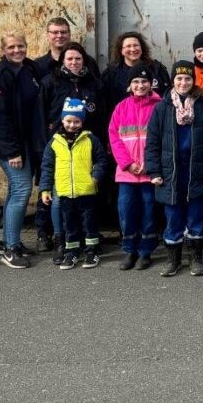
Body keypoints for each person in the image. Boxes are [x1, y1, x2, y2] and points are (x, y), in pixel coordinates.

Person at [145, 61, 203, 278]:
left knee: (197, 216)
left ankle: (196, 258)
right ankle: (173, 259)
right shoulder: (162, 108)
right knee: (173, 216)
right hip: (171, 172)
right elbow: (152, 142)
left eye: (188, 78)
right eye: (179, 78)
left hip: (196, 170)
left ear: (193, 80)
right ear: (173, 81)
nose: (183, 82)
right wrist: (155, 171)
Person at [32, 17, 97, 251]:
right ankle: (47, 233)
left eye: (78, 58)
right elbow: (40, 114)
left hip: (84, 143)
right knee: (53, 191)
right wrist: (42, 144)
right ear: (63, 61)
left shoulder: (92, 81)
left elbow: (99, 111)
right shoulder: (49, 81)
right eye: (70, 58)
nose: (74, 62)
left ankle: (76, 235)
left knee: (79, 191)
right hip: (56, 143)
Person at [0, 31, 46, 268]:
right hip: (11, 147)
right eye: (11, 47)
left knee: (16, 190)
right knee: (21, 191)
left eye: (20, 46)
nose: (17, 50)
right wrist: (11, 152)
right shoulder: (0, 76)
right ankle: (10, 249)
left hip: (27, 142)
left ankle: (10, 241)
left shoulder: (28, 69)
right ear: (3, 50)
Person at [39, 98, 106, 269]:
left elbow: (101, 160)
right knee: (69, 223)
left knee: (89, 222)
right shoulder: (54, 142)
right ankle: (71, 252)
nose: (72, 125)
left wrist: (95, 178)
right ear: (62, 120)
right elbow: (47, 167)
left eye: (76, 121)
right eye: (68, 121)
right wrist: (45, 189)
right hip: (65, 192)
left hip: (86, 190)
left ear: (82, 121)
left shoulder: (90, 139)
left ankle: (92, 251)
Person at [108, 64, 162, 271]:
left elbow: (161, 140)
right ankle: (130, 250)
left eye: (144, 82)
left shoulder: (159, 106)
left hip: (149, 173)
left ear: (151, 84)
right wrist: (128, 164)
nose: (140, 85)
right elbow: (114, 138)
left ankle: (145, 252)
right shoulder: (121, 107)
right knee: (127, 211)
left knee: (149, 212)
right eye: (136, 82)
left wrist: (149, 165)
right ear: (130, 85)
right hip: (127, 173)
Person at [100, 31, 171, 111]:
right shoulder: (111, 74)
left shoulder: (157, 69)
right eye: (128, 46)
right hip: (123, 121)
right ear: (121, 51)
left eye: (136, 45)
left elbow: (167, 97)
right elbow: (105, 103)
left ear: (142, 48)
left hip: (154, 119)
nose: (133, 49)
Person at [33, 16, 99, 78]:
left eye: (63, 32)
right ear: (47, 35)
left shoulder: (88, 62)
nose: (59, 36)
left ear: (69, 34)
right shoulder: (38, 65)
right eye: (55, 32)